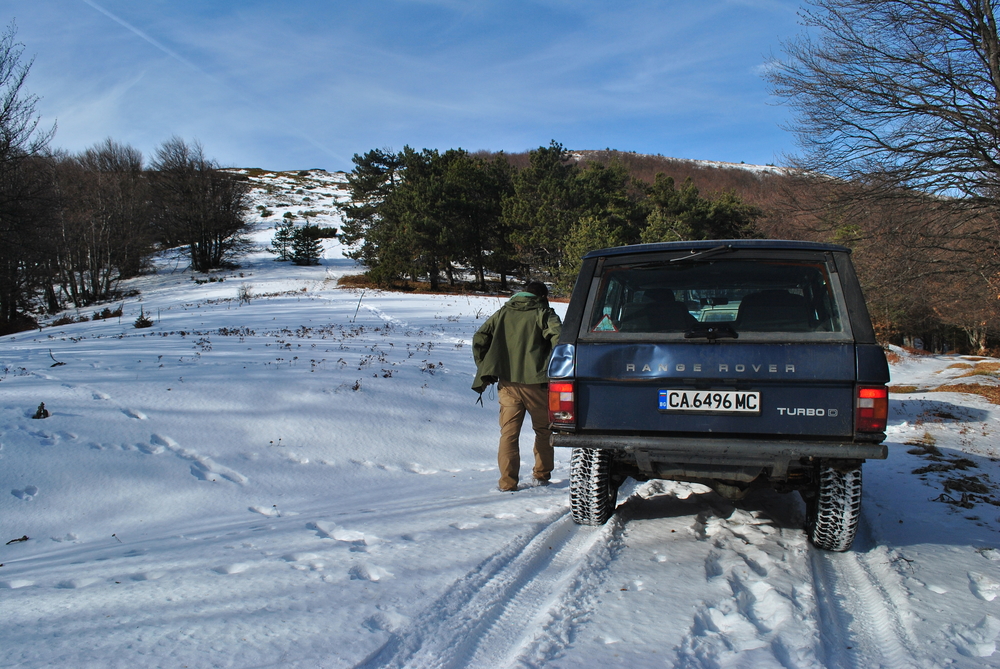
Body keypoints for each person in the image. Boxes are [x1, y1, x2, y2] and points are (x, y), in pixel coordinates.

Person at [473, 281, 562, 491]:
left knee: (508, 434)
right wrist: (554, 367)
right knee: (543, 431)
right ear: (542, 296)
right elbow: (560, 339)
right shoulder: (544, 313)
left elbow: (479, 338)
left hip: (507, 384)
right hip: (538, 384)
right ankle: (541, 476)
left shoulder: (503, 312)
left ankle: (507, 483)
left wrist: (486, 365)